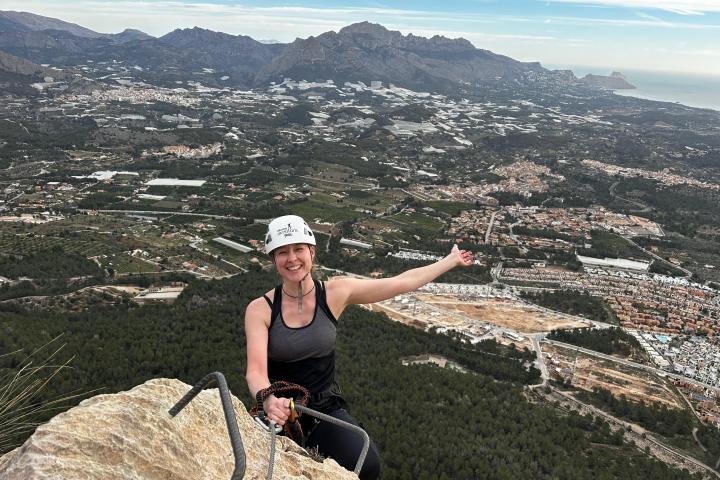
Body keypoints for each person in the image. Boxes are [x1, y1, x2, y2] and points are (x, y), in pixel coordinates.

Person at [245, 215, 474, 479]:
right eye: (282, 252)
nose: (292, 258)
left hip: (324, 406)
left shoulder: (336, 293)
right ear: (273, 259)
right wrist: (269, 399)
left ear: (312, 251)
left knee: (367, 465)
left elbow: (400, 282)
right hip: (280, 408)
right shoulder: (260, 310)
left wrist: (449, 261)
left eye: (299, 249)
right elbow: (255, 372)